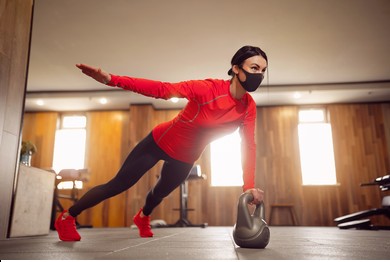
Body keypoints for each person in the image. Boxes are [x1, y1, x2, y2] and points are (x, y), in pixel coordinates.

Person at [54, 45, 268, 241]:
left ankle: (142, 217)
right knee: (118, 184)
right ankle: (67, 217)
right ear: (236, 68)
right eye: (254, 67)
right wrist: (112, 79)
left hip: (186, 157)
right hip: (159, 142)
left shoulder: (248, 107)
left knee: (159, 194)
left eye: (262, 71)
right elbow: (162, 89)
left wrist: (248, 186)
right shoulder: (208, 89)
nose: (258, 75)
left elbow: (248, 146)